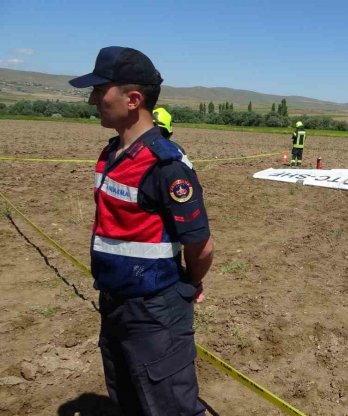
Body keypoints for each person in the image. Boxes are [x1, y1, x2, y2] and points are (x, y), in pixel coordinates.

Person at [69, 46, 214, 416]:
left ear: (133, 99)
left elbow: (200, 245)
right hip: (115, 303)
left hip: (156, 312)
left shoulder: (166, 165)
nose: (92, 100)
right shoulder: (111, 153)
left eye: (101, 91)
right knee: (128, 399)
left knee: (169, 407)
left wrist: (191, 284)